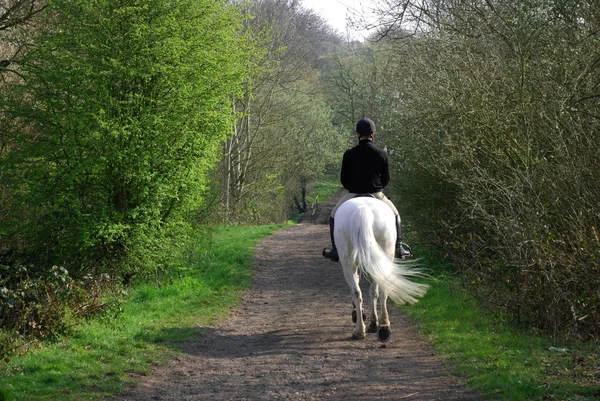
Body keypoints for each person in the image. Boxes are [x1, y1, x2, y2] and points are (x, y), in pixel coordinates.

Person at [322, 118, 411, 262]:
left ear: (357, 134)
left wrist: (353, 186)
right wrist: (377, 187)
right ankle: (399, 247)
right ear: (373, 134)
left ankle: (335, 250)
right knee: (395, 215)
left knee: (333, 215)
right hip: (376, 194)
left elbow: (344, 180)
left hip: (353, 194)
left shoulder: (349, 154)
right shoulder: (381, 154)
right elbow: (386, 179)